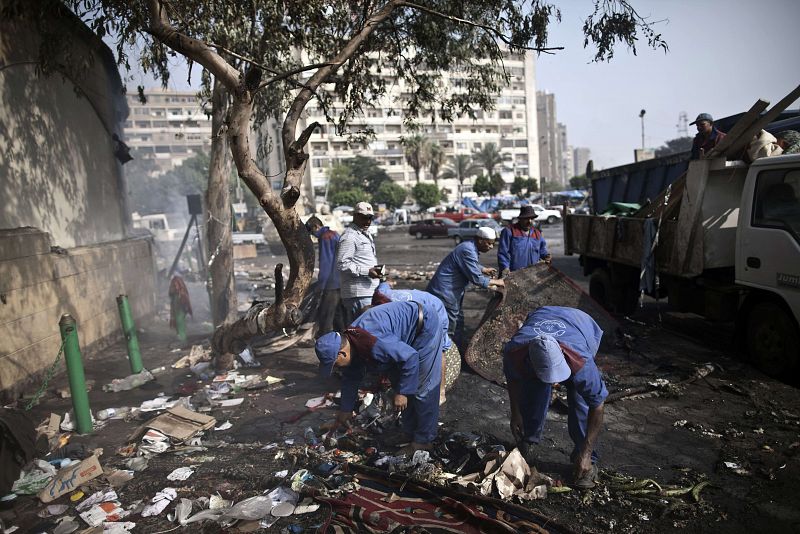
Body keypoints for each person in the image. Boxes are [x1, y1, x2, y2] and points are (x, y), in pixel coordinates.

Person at [315, 301, 444, 452]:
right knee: (399, 382)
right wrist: (346, 409)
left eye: (335, 364)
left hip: (424, 326)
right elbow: (350, 378)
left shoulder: (371, 340)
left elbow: (410, 357)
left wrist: (403, 392)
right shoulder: (350, 342)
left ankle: (424, 441)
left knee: (422, 388)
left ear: (342, 353)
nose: (336, 368)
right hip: (401, 339)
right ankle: (409, 432)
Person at [503, 306, 608, 489]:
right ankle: (527, 439)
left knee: (580, 399)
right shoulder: (515, 350)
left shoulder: (581, 362)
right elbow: (514, 379)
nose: (555, 384)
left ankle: (586, 459)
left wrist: (586, 451)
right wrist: (516, 413)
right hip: (542, 315)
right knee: (532, 388)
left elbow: (597, 405)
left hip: (581, 324)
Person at [372, 282, 458, 404]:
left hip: (435, 308)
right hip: (419, 307)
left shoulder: (392, 315)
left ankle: (441, 392)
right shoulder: (380, 293)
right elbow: (384, 284)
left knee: (439, 351)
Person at [426, 226, 504, 349]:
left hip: (453, 291)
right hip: (446, 291)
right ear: (480, 240)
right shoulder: (467, 250)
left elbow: (470, 264)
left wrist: (483, 269)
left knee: (459, 321)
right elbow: (477, 279)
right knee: (450, 324)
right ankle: (447, 351)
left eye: (493, 244)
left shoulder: (469, 247)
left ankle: (458, 348)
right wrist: (498, 282)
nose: (491, 247)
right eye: (489, 243)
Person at [336, 202, 382, 325]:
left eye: (370, 218)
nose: (368, 221)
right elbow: (342, 264)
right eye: (364, 217)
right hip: (358, 295)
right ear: (355, 216)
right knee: (360, 332)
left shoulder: (366, 234)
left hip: (368, 292)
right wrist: (367, 271)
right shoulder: (349, 236)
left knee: (367, 331)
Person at [306, 216, 343, 337]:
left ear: (316, 226)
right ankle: (342, 338)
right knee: (338, 314)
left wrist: (321, 285)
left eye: (312, 232)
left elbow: (326, 262)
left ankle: (324, 339)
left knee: (326, 314)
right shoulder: (334, 234)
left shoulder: (325, 237)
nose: (313, 235)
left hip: (332, 283)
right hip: (342, 280)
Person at [497, 205, 551, 276]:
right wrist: (505, 268)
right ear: (520, 219)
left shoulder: (537, 233)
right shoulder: (509, 231)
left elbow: (542, 250)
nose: (529, 221)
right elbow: (503, 252)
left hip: (533, 274)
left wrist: (546, 256)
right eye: (526, 218)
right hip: (513, 274)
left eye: (531, 218)